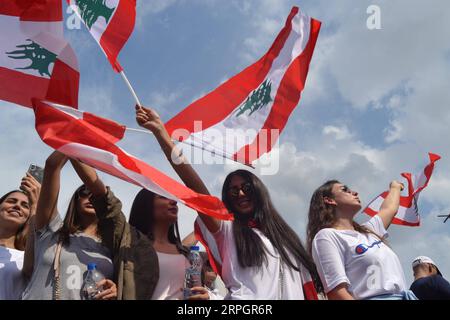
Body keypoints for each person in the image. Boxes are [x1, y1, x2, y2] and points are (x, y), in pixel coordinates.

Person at [135, 105, 322, 300]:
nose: (240, 193)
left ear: (259, 192)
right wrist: (161, 134)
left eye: (246, 187)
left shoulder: (285, 238)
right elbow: (195, 186)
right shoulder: (227, 229)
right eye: (233, 191)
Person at [22, 152, 117, 300]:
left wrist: (114, 290)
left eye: (96, 194)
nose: (91, 196)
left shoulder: (113, 247)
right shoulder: (52, 230)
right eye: (85, 191)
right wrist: (72, 137)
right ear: (76, 201)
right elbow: (52, 166)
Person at [307, 180, 416, 300]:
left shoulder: (369, 231)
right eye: (345, 190)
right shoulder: (327, 236)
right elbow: (336, 293)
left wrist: (395, 187)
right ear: (329, 200)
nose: (354, 192)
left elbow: (389, 209)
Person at [128, 189, 210, 300]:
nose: (174, 201)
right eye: (163, 197)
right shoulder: (131, 246)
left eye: (173, 198)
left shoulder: (185, 253)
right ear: (146, 204)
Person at [0, 173, 40, 300]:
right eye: (11, 201)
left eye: (25, 205)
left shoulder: (27, 257)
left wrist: (35, 206)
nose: (17, 206)